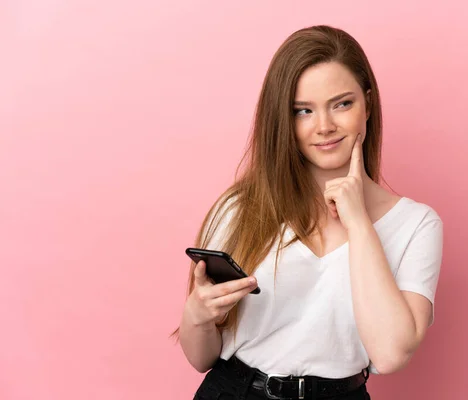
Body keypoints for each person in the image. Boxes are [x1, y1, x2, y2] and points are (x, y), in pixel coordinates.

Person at [173, 25, 444, 400]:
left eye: (342, 104)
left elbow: (391, 352)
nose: (324, 126)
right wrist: (197, 317)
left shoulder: (416, 224)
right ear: (284, 119)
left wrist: (359, 223)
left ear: (368, 103)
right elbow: (201, 358)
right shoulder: (239, 208)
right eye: (303, 111)